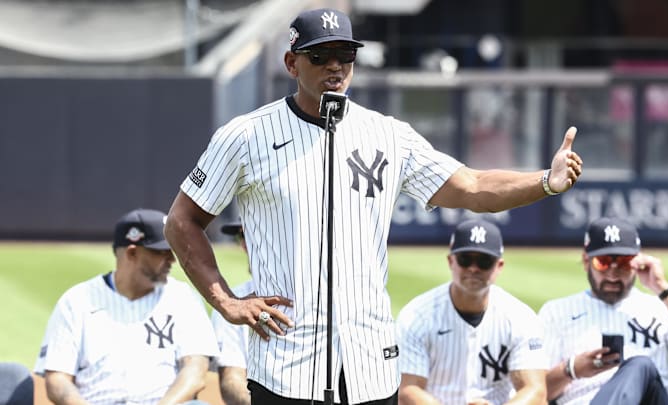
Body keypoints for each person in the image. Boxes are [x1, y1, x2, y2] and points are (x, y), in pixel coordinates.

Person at [164, 7, 583, 405]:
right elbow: (182, 221)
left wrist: (545, 181)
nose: (335, 65)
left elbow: (472, 186)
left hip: (370, 362)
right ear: (292, 64)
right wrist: (228, 302)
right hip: (285, 363)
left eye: (345, 53)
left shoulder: (387, 134)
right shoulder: (245, 135)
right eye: (320, 55)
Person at [34, 208, 218, 405]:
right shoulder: (76, 301)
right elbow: (58, 380)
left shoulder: (183, 298)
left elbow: (195, 369)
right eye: (162, 252)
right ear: (132, 253)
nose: (172, 260)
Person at [538, 217, 668, 405]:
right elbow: (536, 391)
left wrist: (662, 288)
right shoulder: (556, 312)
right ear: (586, 261)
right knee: (639, 365)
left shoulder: (658, 307)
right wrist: (571, 369)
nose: (613, 275)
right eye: (603, 262)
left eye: (624, 263)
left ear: (637, 262)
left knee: (640, 366)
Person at [396, 218, 547, 405]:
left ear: (499, 266)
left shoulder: (520, 318)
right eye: (465, 259)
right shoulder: (416, 316)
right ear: (451, 261)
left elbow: (535, 390)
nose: (473, 268)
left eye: (484, 261)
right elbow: (408, 390)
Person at [210, 221, 252, 405]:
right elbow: (232, 379)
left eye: (253, 233)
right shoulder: (231, 302)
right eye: (242, 236)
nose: (244, 243)